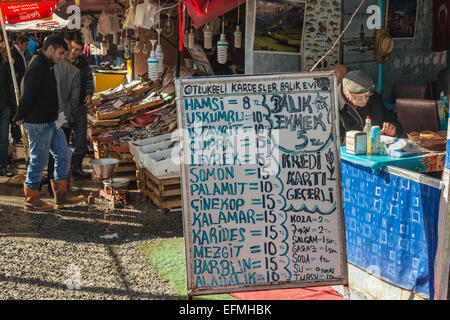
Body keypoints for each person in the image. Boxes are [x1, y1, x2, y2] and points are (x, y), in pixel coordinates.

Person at [13, 35, 84, 211]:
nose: (62, 57)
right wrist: (19, 115)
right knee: (39, 159)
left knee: (63, 155)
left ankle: (61, 195)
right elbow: (28, 94)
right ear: (50, 48)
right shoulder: (38, 67)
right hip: (38, 123)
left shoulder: (49, 65)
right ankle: (32, 197)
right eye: (61, 53)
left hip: (52, 121)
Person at [46, 40, 81, 196]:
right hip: (63, 118)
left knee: (46, 152)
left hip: (47, 116)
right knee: (61, 154)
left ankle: (48, 185)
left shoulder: (48, 67)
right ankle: (59, 189)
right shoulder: (74, 72)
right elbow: (74, 100)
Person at [338, 70, 402, 144]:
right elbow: (335, 143)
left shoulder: (374, 98)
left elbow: (396, 124)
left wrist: (393, 131)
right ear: (346, 93)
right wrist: (365, 138)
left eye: (367, 95)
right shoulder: (332, 106)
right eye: (360, 97)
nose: (365, 100)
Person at [67, 37, 94, 178]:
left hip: (79, 106)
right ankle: (63, 169)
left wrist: (89, 94)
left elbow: (89, 80)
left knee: (81, 139)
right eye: (72, 48)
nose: (73, 51)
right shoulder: (61, 60)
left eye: (77, 49)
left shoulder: (83, 63)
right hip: (64, 107)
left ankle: (77, 168)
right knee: (63, 139)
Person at [0, 44, 16, 177]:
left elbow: (9, 82)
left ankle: (2, 165)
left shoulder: (6, 61)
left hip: (4, 105)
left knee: (4, 138)